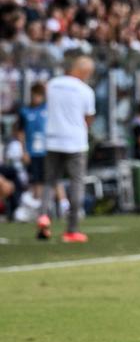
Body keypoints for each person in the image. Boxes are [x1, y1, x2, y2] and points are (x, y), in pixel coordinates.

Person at [39, 55, 95, 242]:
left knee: (49, 181)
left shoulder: (52, 84)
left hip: (53, 138)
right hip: (75, 142)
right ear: (84, 71)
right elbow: (88, 119)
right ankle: (71, 229)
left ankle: (44, 216)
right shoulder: (86, 90)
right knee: (76, 183)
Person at [16, 83, 47, 206]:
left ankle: (60, 205)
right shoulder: (25, 111)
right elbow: (20, 132)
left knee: (51, 179)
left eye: (39, 95)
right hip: (32, 151)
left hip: (47, 151)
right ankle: (38, 206)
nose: (36, 98)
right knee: (36, 180)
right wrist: (23, 151)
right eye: (35, 95)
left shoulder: (47, 109)